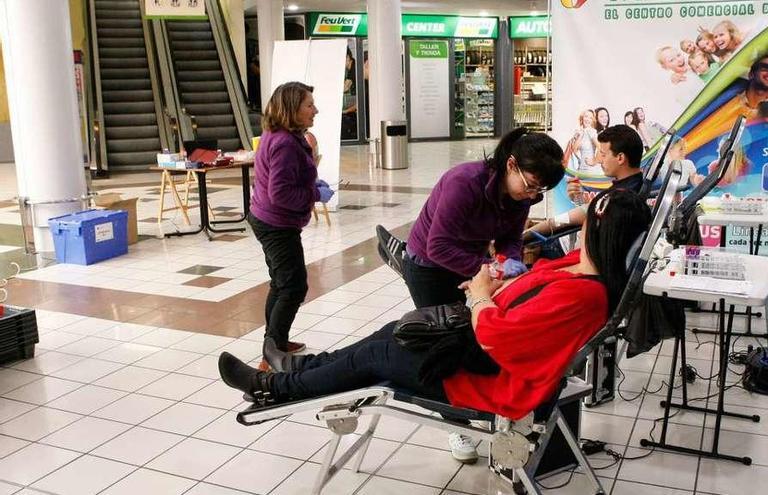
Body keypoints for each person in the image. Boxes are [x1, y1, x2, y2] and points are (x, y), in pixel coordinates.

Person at [218, 188, 652, 460]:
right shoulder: (581, 266)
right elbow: (530, 295)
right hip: (476, 349)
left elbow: (502, 339)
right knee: (393, 333)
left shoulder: (585, 292)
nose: (580, 216)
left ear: (601, 233)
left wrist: (482, 296)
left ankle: (272, 387)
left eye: (589, 217)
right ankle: (300, 369)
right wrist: (500, 284)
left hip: (493, 379)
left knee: (380, 353)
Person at [403, 128, 564, 310]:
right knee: (440, 330)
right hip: (429, 266)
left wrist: (509, 259)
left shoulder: (523, 196)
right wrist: (493, 267)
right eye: (531, 185)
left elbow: (511, 237)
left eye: (540, 189)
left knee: (464, 321)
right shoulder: (464, 183)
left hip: (470, 259)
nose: (533, 194)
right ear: (511, 165)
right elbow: (438, 247)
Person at [248, 82, 334, 371]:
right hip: (275, 223)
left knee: (282, 283)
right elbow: (280, 193)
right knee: (293, 286)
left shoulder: (283, 135)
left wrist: (310, 183)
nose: (316, 110)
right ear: (291, 109)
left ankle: (276, 342)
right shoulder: (284, 142)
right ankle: (270, 355)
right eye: (309, 105)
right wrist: (313, 194)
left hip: (269, 218)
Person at [525, 125, 645, 241]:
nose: (600, 160)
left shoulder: (620, 197)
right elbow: (588, 212)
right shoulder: (630, 187)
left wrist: (524, 237)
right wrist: (578, 198)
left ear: (620, 158)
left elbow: (568, 219)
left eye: (603, 154)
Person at [563, 110, 600, 174]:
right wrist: (580, 135)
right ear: (582, 118)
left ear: (592, 121)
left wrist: (594, 161)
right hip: (580, 169)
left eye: (590, 118)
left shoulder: (591, 131)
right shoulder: (580, 132)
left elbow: (600, 147)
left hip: (590, 170)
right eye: (586, 116)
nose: (588, 119)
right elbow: (574, 150)